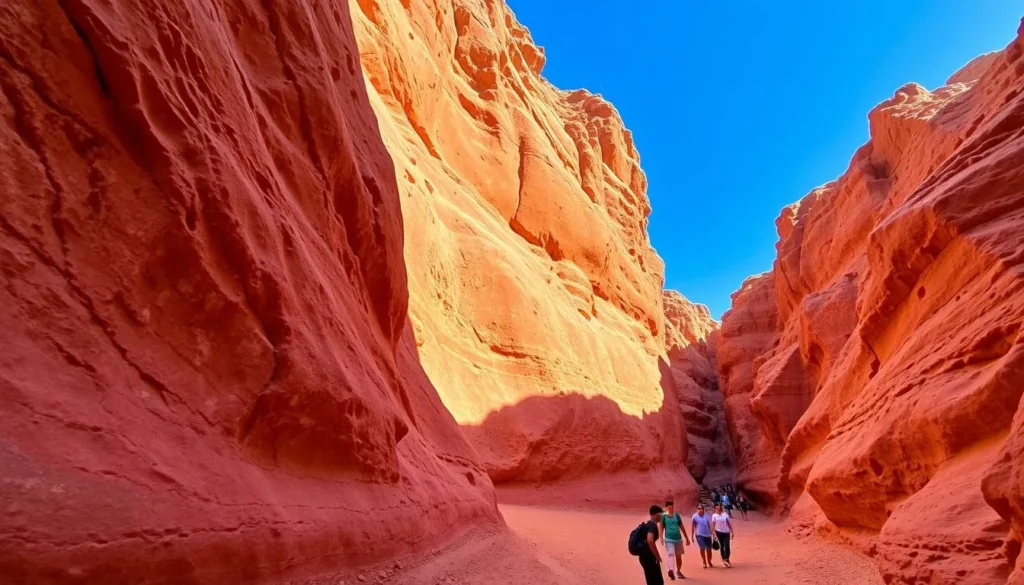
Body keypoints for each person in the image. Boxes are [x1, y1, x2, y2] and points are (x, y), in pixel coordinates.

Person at [659, 500, 690, 580]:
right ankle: (671, 570)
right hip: (669, 539)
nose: (671, 509)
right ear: (666, 508)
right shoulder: (664, 516)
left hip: (678, 539)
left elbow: (681, 526)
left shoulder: (677, 515)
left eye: (672, 507)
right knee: (671, 554)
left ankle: (678, 571)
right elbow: (661, 526)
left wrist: (686, 537)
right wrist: (661, 537)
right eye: (669, 508)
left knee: (679, 557)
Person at [638, 505, 665, 585]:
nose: (661, 517)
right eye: (661, 515)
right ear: (656, 514)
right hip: (649, 557)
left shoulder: (647, 524)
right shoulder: (652, 525)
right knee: (657, 581)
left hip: (643, 556)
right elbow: (650, 540)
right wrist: (657, 555)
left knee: (650, 579)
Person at [691, 504, 714, 569]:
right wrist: (692, 536)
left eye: (701, 508)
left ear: (703, 509)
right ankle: (704, 561)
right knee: (702, 548)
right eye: (699, 508)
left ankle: (709, 560)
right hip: (699, 534)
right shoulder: (694, 517)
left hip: (708, 534)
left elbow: (710, 526)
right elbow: (693, 526)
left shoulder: (707, 516)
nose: (700, 510)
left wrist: (713, 534)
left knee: (709, 549)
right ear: (697, 509)